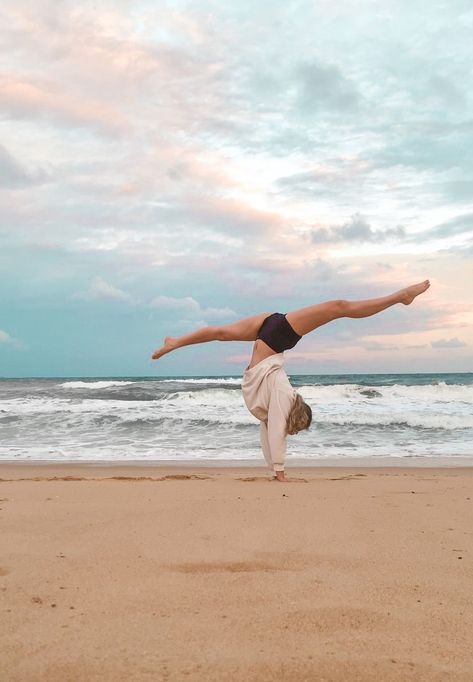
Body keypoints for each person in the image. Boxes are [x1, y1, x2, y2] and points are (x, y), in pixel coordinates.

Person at [151, 280, 430, 482]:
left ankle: (175, 342)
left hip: (273, 339)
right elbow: (275, 434)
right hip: (273, 340)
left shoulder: (271, 410)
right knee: (339, 307)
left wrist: (276, 470)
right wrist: (280, 471)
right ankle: (399, 297)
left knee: (223, 332)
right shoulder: (282, 399)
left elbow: (271, 435)